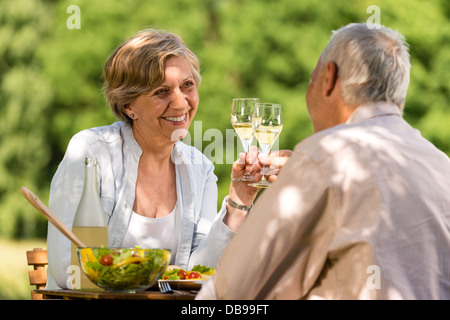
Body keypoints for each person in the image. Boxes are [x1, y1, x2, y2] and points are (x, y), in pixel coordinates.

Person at [196, 23, 450, 300]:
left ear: (329, 78)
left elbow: (228, 292)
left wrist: (307, 172)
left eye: (311, 79)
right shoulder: (440, 165)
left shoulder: (323, 157)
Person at [45, 29, 270, 289]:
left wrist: (238, 202)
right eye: (161, 91)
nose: (180, 103)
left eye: (187, 85)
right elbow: (68, 269)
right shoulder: (89, 153)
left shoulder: (200, 169)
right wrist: (156, 278)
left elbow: (203, 272)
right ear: (129, 106)